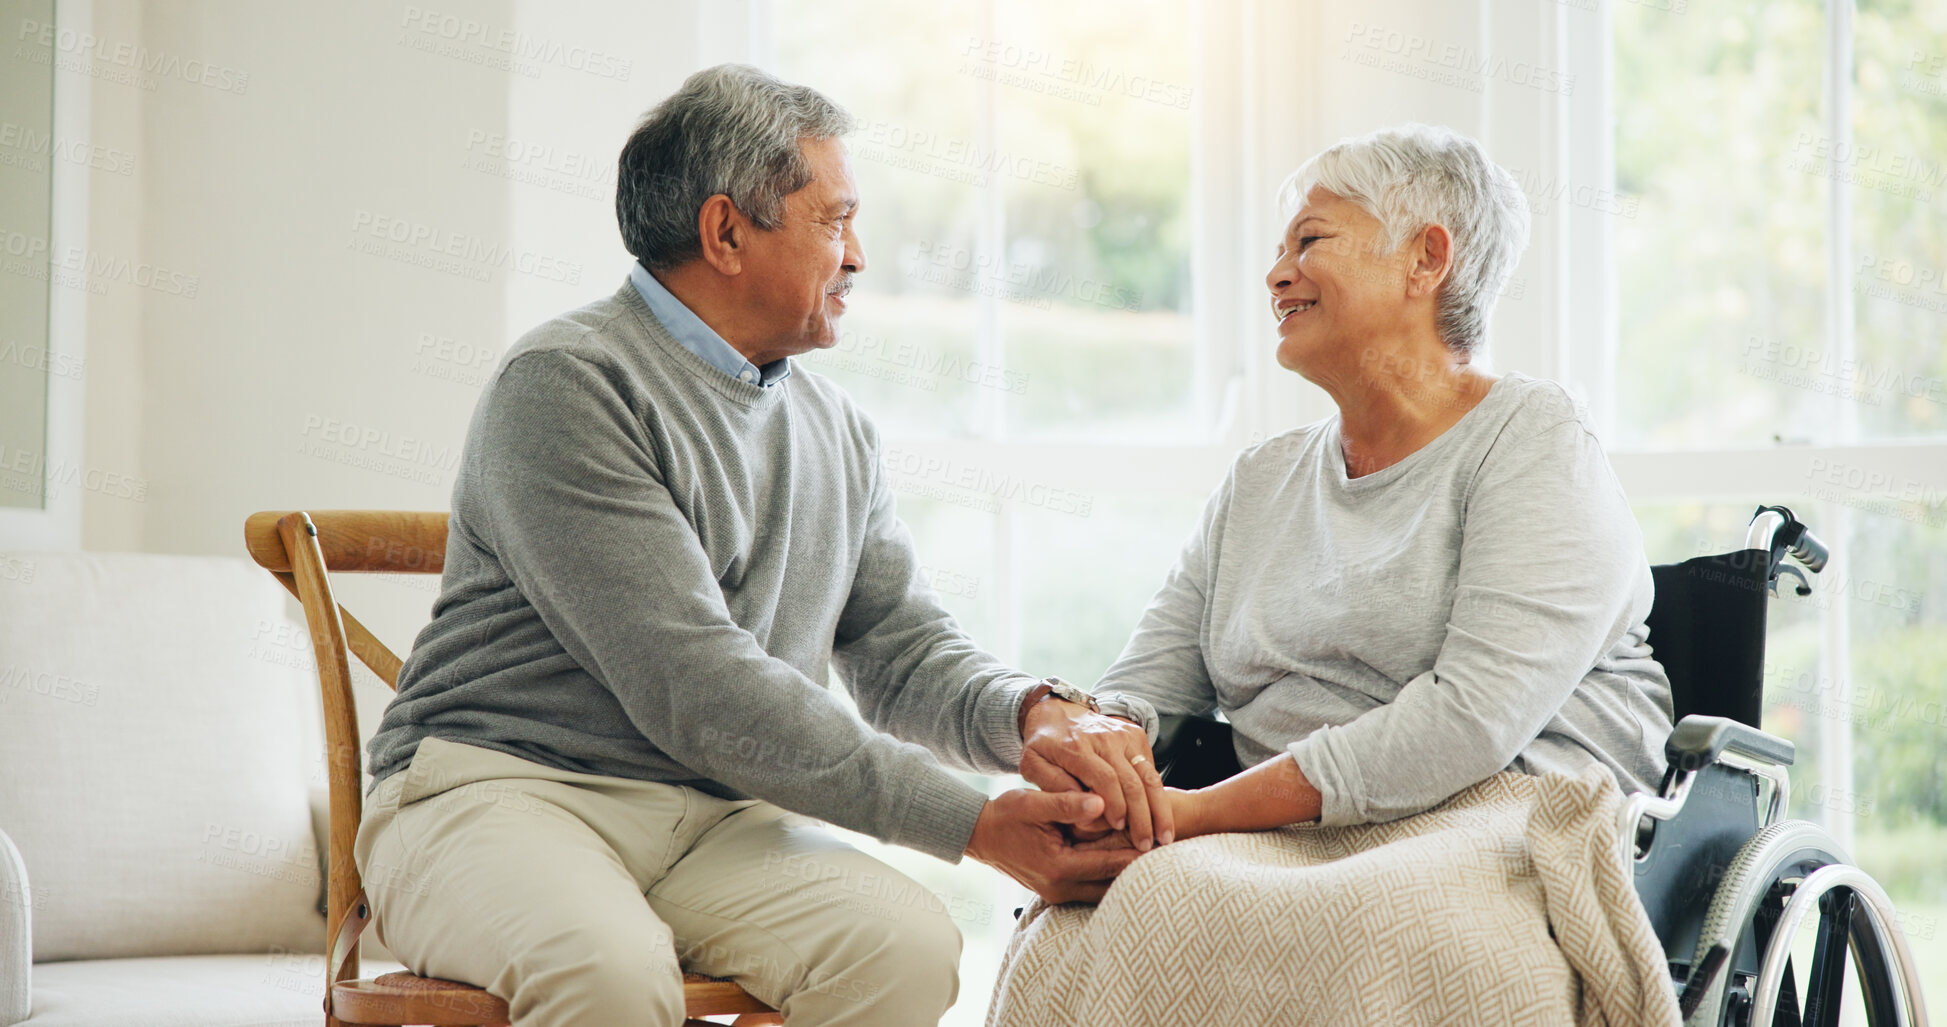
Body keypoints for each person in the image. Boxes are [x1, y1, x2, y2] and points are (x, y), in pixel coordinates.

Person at [353, 64, 1161, 1027]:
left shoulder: (835, 428)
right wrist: (974, 824)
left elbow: (902, 654)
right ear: (726, 231)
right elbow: (693, 681)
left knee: (901, 949)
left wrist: (1032, 713)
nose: (858, 255)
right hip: (500, 793)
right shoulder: (566, 383)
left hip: (715, 819)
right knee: (605, 974)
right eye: (835, 220)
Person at [1085, 123, 1673, 840]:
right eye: (1278, 253)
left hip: (1496, 825)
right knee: (1077, 909)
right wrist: (1102, 750)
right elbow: (1145, 685)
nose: (1276, 276)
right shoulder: (1258, 481)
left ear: (1425, 259)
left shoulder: (1531, 441)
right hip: (1274, 841)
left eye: (1309, 242)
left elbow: (1469, 720)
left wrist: (1200, 812)